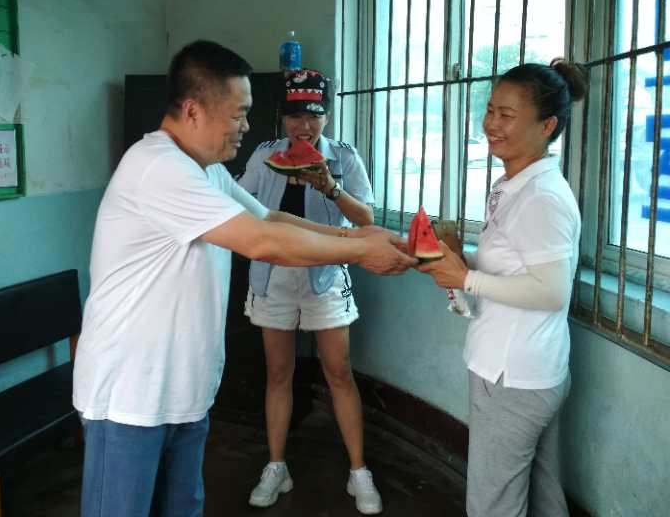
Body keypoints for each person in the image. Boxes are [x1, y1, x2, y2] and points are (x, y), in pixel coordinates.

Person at [72, 41, 417, 517]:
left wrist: (361, 233)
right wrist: (360, 250)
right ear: (193, 111)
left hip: (183, 393)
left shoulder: (207, 170)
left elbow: (269, 219)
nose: (247, 126)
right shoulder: (158, 167)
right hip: (131, 398)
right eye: (239, 114)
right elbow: (261, 242)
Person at [418, 59, 589, 517]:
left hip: (513, 377)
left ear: (547, 126)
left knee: (492, 504)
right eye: (491, 110)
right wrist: (458, 259)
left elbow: (551, 291)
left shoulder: (543, 197)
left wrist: (466, 278)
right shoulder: (516, 184)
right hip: (526, 370)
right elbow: (515, 267)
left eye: (507, 115)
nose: (491, 124)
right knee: (542, 493)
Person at [237, 68, 383, 515]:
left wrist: (330, 186)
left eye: (314, 116)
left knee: (339, 372)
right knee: (278, 374)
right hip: (273, 276)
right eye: (295, 116)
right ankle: (276, 466)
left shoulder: (344, 157)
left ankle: (359, 471)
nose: (304, 126)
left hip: (325, 277)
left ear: (327, 116)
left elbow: (366, 220)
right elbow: (239, 205)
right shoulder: (265, 155)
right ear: (282, 117)